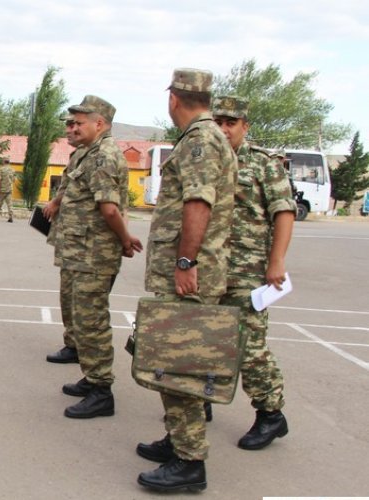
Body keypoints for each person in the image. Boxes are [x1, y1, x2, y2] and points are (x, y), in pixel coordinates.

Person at [135, 69, 237, 492]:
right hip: (195, 271)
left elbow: (198, 203)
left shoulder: (198, 140)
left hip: (190, 276)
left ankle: (190, 461)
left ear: (174, 98)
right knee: (172, 360)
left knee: (179, 365)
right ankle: (178, 440)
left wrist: (184, 262)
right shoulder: (209, 136)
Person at [212, 95, 295, 450]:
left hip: (248, 271)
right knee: (207, 339)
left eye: (231, 123)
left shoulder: (263, 164)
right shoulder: (208, 161)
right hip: (210, 269)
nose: (224, 129)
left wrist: (276, 261)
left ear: (245, 126)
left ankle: (271, 414)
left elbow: (284, 212)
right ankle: (201, 401)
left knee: (249, 347)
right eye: (218, 122)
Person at [52, 96, 142, 419]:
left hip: (95, 254)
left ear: (99, 124)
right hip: (83, 250)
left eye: (80, 121)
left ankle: (102, 390)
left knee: (93, 320)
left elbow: (109, 208)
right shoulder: (90, 154)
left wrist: (125, 240)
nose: (74, 126)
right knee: (84, 317)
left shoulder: (104, 156)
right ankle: (93, 379)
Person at [43, 115, 85, 365]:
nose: (70, 130)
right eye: (69, 125)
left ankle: (84, 352)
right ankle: (74, 344)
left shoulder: (98, 156)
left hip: (86, 246)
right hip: (73, 240)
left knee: (84, 305)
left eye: (75, 125)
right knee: (68, 297)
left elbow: (109, 206)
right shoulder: (79, 155)